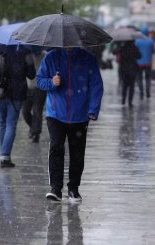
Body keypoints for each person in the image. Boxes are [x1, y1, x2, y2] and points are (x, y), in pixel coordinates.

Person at [37, 47, 103, 202]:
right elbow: (39, 80)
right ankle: (55, 188)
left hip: (80, 115)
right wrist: (52, 82)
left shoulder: (88, 58)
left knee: (77, 153)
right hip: (55, 114)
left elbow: (96, 85)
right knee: (56, 148)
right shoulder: (51, 57)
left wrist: (93, 108)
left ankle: (73, 188)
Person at [0, 45, 36, 168]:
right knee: (10, 124)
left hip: (1, 91)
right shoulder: (25, 52)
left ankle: (4, 155)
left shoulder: (1, 50)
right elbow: (31, 75)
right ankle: (5, 156)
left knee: (2, 123)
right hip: (17, 93)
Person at [21, 49, 47, 143]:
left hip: (40, 88)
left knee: (37, 111)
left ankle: (36, 133)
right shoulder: (27, 55)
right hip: (28, 87)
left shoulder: (45, 55)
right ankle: (34, 129)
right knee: (25, 112)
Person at [113, 41, 141, 106]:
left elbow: (114, 52)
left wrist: (119, 47)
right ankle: (130, 102)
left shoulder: (122, 48)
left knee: (124, 86)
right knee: (131, 86)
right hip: (132, 69)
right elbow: (139, 56)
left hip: (124, 70)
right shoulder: (134, 48)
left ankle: (123, 101)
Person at [134, 28, 155, 99]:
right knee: (148, 78)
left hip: (138, 63)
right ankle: (148, 91)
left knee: (139, 78)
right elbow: (153, 51)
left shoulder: (137, 41)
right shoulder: (151, 41)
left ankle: (141, 92)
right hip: (148, 63)